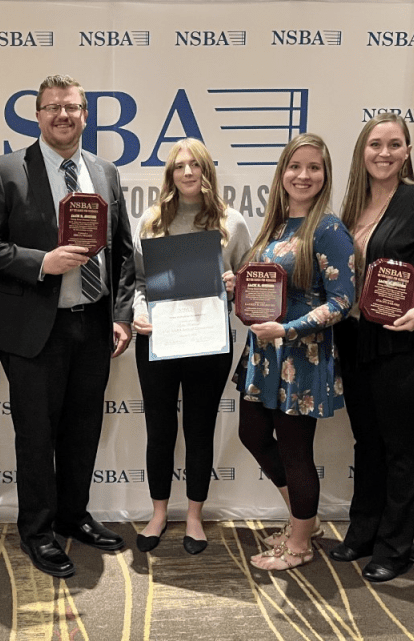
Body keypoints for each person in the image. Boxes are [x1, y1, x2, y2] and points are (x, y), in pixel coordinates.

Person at [0, 74, 135, 579]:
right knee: (37, 437)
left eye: (72, 107)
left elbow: (123, 252)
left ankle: (73, 515)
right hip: (34, 331)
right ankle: (38, 531)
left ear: (85, 115)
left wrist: (120, 315)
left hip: (93, 325)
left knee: (83, 431)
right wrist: (43, 261)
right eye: (53, 107)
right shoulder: (6, 170)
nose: (63, 115)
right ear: (38, 115)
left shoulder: (105, 172)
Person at [329, 113, 414, 582]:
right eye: (375, 144)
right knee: (367, 442)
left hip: (407, 342)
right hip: (356, 340)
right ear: (361, 152)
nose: (384, 153)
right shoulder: (351, 205)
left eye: (394, 144)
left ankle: (395, 546)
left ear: (407, 151)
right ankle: (363, 531)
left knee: (401, 447)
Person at [234, 133, 355, 571]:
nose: (304, 175)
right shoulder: (277, 224)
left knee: (295, 451)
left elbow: (342, 301)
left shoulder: (329, 229)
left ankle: (300, 543)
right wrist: (238, 286)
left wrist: (287, 329)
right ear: (282, 172)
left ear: (325, 175)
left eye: (314, 168)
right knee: (252, 434)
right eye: (295, 166)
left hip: (301, 357)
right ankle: (305, 520)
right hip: (264, 355)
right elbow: (268, 286)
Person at [132, 138, 252, 555]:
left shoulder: (231, 222)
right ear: (170, 174)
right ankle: (158, 513)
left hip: (209, 340)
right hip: (158, 338)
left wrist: (235, 284)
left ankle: (195, 517)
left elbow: (249, 283)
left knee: (200, 429)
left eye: (195, 165)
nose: (187, 172)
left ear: (207, 171)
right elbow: (139, 282)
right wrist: (138, 312)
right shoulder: (151, 221)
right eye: (179, 166)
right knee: (159, 429)